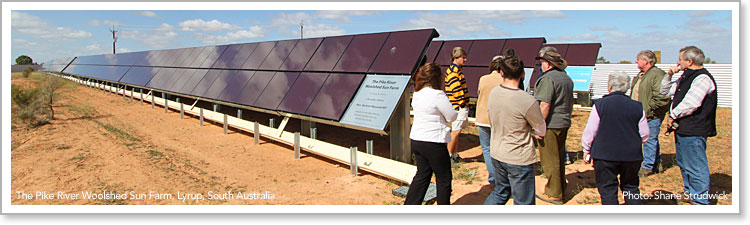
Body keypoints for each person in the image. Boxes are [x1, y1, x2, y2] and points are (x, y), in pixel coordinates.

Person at [484, 55, 546, 205]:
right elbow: (541, 130)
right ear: (522, 74)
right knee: (523, 203)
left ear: (502, 73)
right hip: (519, 158)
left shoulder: (493, 93)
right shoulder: (527, 100)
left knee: (500, 193)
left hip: (497, 153)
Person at [582, 71, 650, 205]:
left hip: (605, 155)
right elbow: (645, 134)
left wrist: (586, 149)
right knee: (631, 187)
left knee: (608, 189)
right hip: (631, 155)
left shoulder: (600, 105)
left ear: (609, 86)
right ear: (627, 88)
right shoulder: (638, 107)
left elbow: (591, 131)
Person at [661, 46, 717, 205]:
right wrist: (669, 75)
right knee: (685, 163)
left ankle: (700, 200)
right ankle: (690, 192)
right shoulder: (685, 77)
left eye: (680, 59)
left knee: (696, 166)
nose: (677, 62)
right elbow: (664, 92)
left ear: (689, 61)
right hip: (683, 129)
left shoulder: (702, 78)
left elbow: (691, 103)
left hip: (694, 129)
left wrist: (672, 115)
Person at [404, 63, 458, 205]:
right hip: (434, 142)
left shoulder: (417, 94)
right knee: (444, 178)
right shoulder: (438, 95)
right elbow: (452, 116)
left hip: (417, 139)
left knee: (422, 175)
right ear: (437, 78)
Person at [533, 51, 574, 205]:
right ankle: (561, 187)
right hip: (564, 122)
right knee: (560, 156)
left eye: (542, 62)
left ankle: (554, 193)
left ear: (548, 64)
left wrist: (538, 126)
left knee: (550, 159)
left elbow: (545, 104)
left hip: (550, 125)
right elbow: (569, 103)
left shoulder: (547, 79)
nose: (541, 65)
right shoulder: (567, 78)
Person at [476, 48, 516, 186]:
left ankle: (494, 179)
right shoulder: (506, 80)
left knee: (487, 149)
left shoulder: (483, 79)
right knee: (502, 148)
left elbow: (479, 93)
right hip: (500, 119)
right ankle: (505, 177)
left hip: (482, 119)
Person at [630, 50, 672, 177]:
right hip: (641, 113)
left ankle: (647, 166)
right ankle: (656, 162)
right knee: (650, 139)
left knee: (649, 139)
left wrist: (649, 110)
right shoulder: (642, 74)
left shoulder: (657, 75)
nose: (636, 61)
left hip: (650, 114)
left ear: (646, 61)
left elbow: (663, 97)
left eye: (638, 59)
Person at [445, 47, 470, 163]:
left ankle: (454, 154)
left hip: (458, 106)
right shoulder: (453, 73)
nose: (465, 60)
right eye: (463, 57)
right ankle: (448, 157)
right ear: (456, 58)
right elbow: (456, 90)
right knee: (455, 132)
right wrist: (462, 103)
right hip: (458, 107)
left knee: (457, 130)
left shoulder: (456, 71)